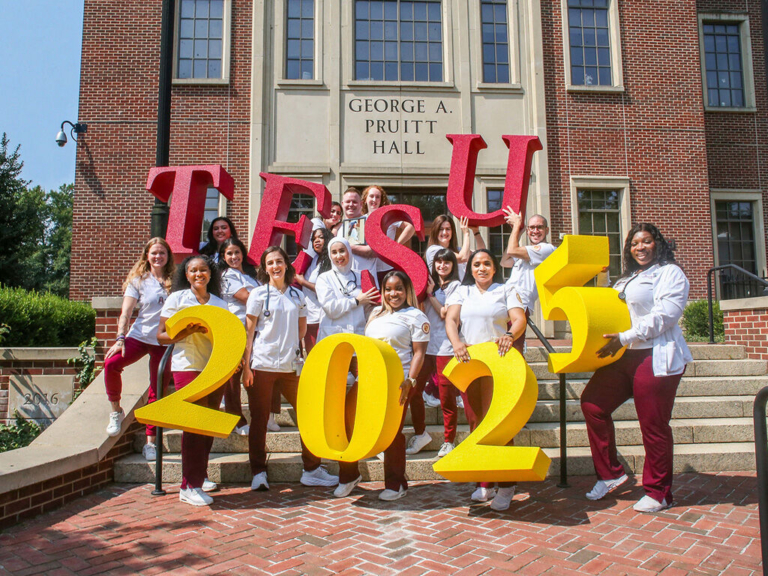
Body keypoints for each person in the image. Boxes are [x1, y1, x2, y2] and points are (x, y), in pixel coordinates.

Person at [581, 223, 692, 513]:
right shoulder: (629, 277)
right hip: (623, 357)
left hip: (655, 356)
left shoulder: (670, 273)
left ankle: (659, 493)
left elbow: (665, 316)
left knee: (653, 426)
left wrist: (624, 337)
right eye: (634, 243)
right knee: (592, 404)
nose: (639, 247)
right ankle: (611, 473)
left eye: (646, 241)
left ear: (658, 244)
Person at [243, 246, 339, 491]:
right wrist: (246, 366)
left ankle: (311, 469)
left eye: (279, 261)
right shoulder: (257, 295)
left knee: (308, 416)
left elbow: (302, 331)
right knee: (260, 420)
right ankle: (258, 472)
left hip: (291, 368)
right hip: (262, 366)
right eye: (270, 263)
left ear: (286, 265)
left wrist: (297, 354)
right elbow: (249, 333)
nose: (275, 266)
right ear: (265, 268)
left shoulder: (297, 296)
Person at [334, 271, 429, 501]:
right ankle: (349, 475)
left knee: (392, 433)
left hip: (397, 381)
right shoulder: (376, 312)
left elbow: (419, 353)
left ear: (407, 291)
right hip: (367, 378)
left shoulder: (416, 316)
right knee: (348, 422)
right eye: (388, 289)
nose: (393, 293)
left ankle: (396, 483)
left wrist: (411, 381)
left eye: (398, 288)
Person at [445, 249, 527, 511]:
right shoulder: (462, 291)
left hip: (498, 365)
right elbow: (451, 319)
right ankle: (485, 481)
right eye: (477, 264)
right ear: (471, 268)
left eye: (487, 264)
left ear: (494, 268)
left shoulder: (506, 289)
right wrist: (456, 342)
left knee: (499, 424)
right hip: (470, 365)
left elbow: (518, 319)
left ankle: (507, 484)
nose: (481, 268)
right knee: (475, 422)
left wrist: (509, 335)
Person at [157, 255, 228, 507]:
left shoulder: (220, 304)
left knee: (207, 425)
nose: (199, 274)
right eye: (193, 270)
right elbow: (161, 336)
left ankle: (201, 475)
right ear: (186, 275)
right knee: (194, 425)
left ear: (211, 273)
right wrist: (185, 331)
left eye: (204, 270)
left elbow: (227, 337)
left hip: (215, 368)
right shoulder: (177, 299)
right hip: (188, 366)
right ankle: (188, 485)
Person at [104, 238, 175, 461]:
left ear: (168, 256)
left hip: (163, 342)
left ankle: (150, 443)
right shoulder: (139, 280)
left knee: (157, 390)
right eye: (154, 253)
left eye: (162, 253)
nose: (158, 257)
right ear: (147, 255)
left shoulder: (176, 280)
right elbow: (126, 312)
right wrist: (120, 338)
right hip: (139, 337)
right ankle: (116, 410)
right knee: (111, 364)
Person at [407, 249, 462, 458]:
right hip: (424, 345)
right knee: (414, 390)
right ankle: (420, 433)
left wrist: (430, 294)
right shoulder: (429, 282)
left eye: (447, 262)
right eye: (438, 262)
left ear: (452, 265)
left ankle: (449, 441)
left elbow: (445, 313)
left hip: (446, 346)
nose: (442, 266)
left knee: (447, 396)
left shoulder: (456, 286)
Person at [217, 238, 259, 436]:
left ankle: (260, 417)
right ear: (224, 257)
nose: (234, 257)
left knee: (254, 373)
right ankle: (236, 420)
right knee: (234, 377)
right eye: (229, 254)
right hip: (236, 330)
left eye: (236, 252)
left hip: (254, 330)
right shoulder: (226, 277)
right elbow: (249, 299)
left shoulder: (250, 277)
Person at [500, 210, 556, 354]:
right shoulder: (526, 251)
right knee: (501, 347)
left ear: (547, 230)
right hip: (506, 301)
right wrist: (517, 233)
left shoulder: (547, 249)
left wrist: (517, 225)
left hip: (520, 303)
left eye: (539, 227)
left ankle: (519, 376)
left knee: (513, 350)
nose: (535, 231)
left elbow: (512, 250)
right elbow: (504, 261)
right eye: (531, 227)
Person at [315, 237, 379, 343]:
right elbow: (331, 309)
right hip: (333, 337)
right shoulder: (324, 278)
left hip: (358, 335)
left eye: (342, 251)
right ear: (330, 256)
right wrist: (356, 301)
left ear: (349, 252)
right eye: (334, 252)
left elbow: (369, 308)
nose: (339, 256)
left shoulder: (361, 277)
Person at [360, 185, 415, 283]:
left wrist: (396, 245)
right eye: (371, 196)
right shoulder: (360, 221)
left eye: (378, 197)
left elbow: (410, 227)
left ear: (381, 200)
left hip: (388, 269)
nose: (374, 199)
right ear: (365, 199)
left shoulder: (388, 217)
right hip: (367, 270)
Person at [295, 227, 334, 353]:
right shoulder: (314, 260)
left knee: (323, 355)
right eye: (313, 239)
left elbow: (325, 290)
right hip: (309, 315)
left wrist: (302, 282)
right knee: (312, 356)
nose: (316, 241)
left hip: (321, 317)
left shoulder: (331, 262)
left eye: (321, 237)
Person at [425, 214, 486, 281]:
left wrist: (476, 231)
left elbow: (482, 254)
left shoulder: (459, 250)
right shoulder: (433, 250)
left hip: (462, 290)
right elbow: (463, 258)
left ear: (452, 232)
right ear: (435, 231)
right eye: (441, 229)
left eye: (448, 229)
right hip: (445, 291)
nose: (445, 232)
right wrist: (466, 233)